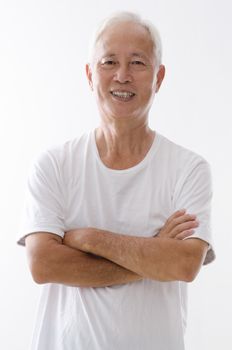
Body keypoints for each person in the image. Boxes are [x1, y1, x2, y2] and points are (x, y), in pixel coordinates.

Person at [18, 11, 215, 350]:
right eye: (109, 62)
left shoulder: (188, 168)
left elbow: (183, 263)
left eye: (138, 63)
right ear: (89, 75)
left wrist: (88, 238)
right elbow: (43, 264)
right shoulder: (54, 165)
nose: (122, 76)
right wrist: (152, 255)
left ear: (159, 77)